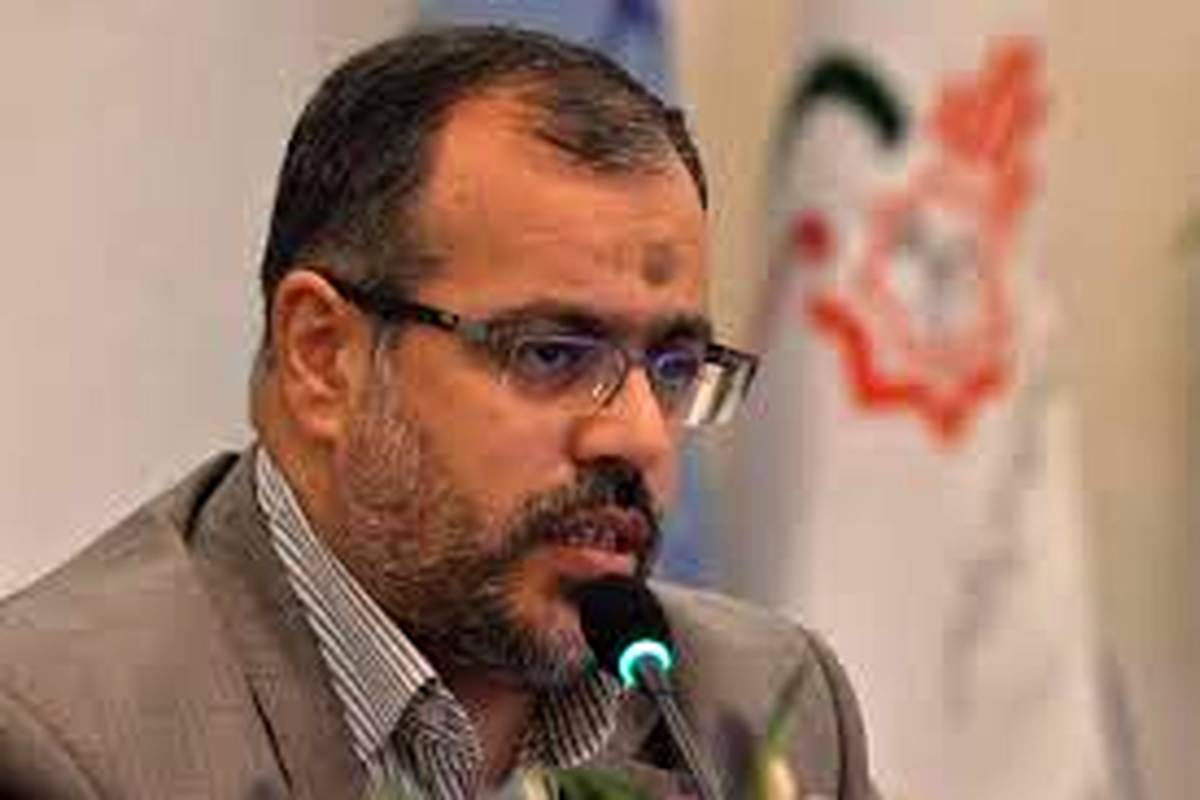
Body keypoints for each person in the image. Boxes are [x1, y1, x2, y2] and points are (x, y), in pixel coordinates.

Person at [0, 26, 873, 799]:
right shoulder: (57, 738)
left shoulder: (765, 709)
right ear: (322, 356)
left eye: (674, 368)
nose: (640, 435)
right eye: (552, 354)